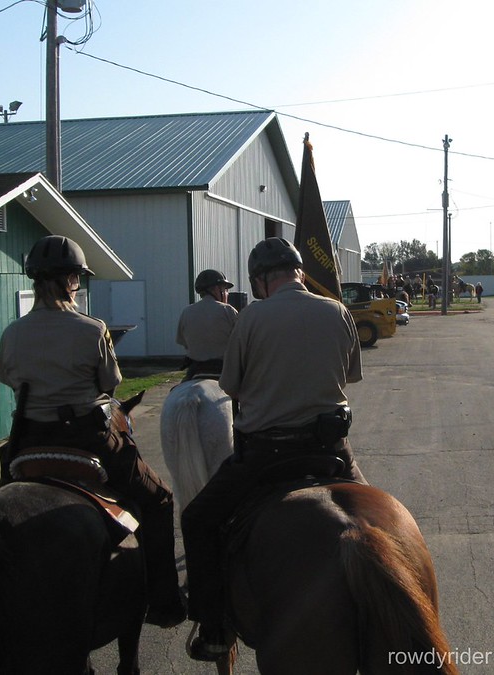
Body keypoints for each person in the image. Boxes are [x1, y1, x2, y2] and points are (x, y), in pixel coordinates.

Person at [181, 237, 368, 661]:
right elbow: (351, 376)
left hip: (267, 453)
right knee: (378, 520)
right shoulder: (337, 310)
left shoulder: (251, 317)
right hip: (331, 450)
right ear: (299, 271)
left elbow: (229, 385)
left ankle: (212, 627)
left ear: (262, 280)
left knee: (198, 520)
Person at [0, 235, 186, 628]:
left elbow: (7, 378)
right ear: (72, 280)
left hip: (28, 439)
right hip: (86, 438)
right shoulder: (91, 328)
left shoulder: (13, 332)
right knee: (160, 500)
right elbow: (111, 382)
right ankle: (165, 602)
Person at [176, 269, 239, 380]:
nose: (227, 293)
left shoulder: (186, 312)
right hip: (224, 369)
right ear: (216, 289)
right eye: (225, 289)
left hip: (195, 369)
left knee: (176, 392)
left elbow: (183, 342)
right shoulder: (228, 310)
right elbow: (241, 343)